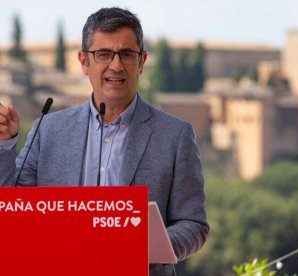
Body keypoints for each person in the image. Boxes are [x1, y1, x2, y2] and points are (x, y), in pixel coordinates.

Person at [0, 7, 208, 275]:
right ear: (84, 61)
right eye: (104, 54)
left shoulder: (175, 136)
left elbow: (193, 223)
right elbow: (11, 213)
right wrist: (5, 145)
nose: (116, 65)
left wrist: (149, 245)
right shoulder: (48, 129)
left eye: (127, 54)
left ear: (142, 61)